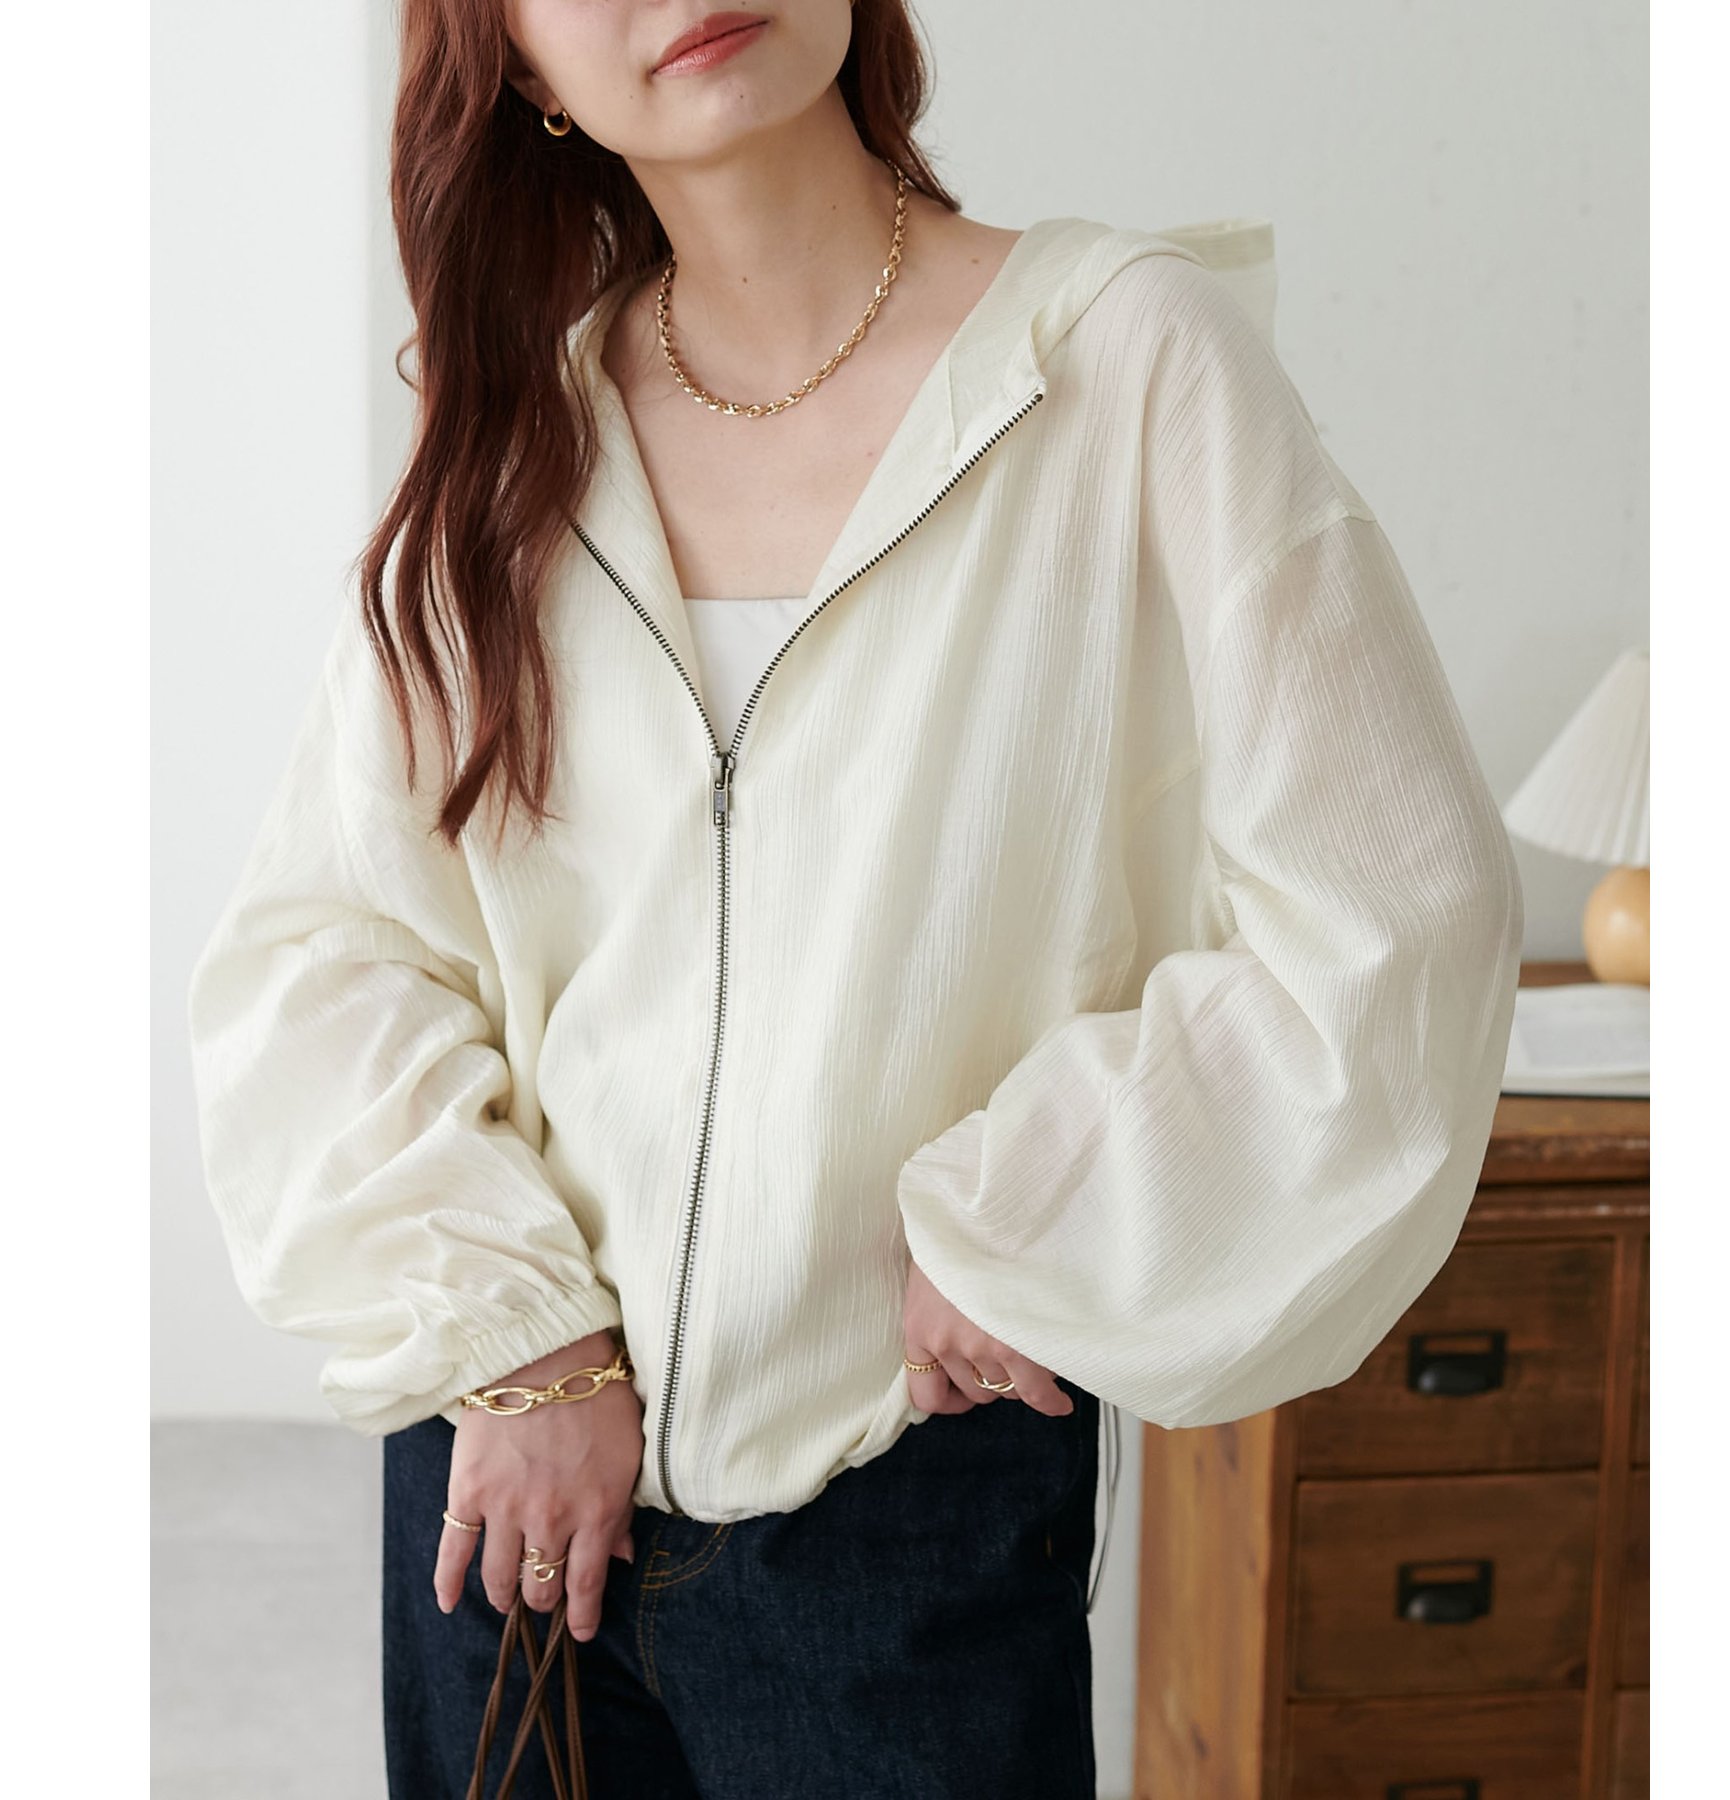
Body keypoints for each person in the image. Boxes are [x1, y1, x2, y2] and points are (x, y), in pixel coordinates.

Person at [185, 3, 1525, 1796]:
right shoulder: (515, 442)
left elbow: (1393, 907)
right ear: (513, 61)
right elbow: (327, 955)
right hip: (509, 1488)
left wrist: (1031, 1215)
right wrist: (518, 1343)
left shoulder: (1120, 361)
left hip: (900, 1508)